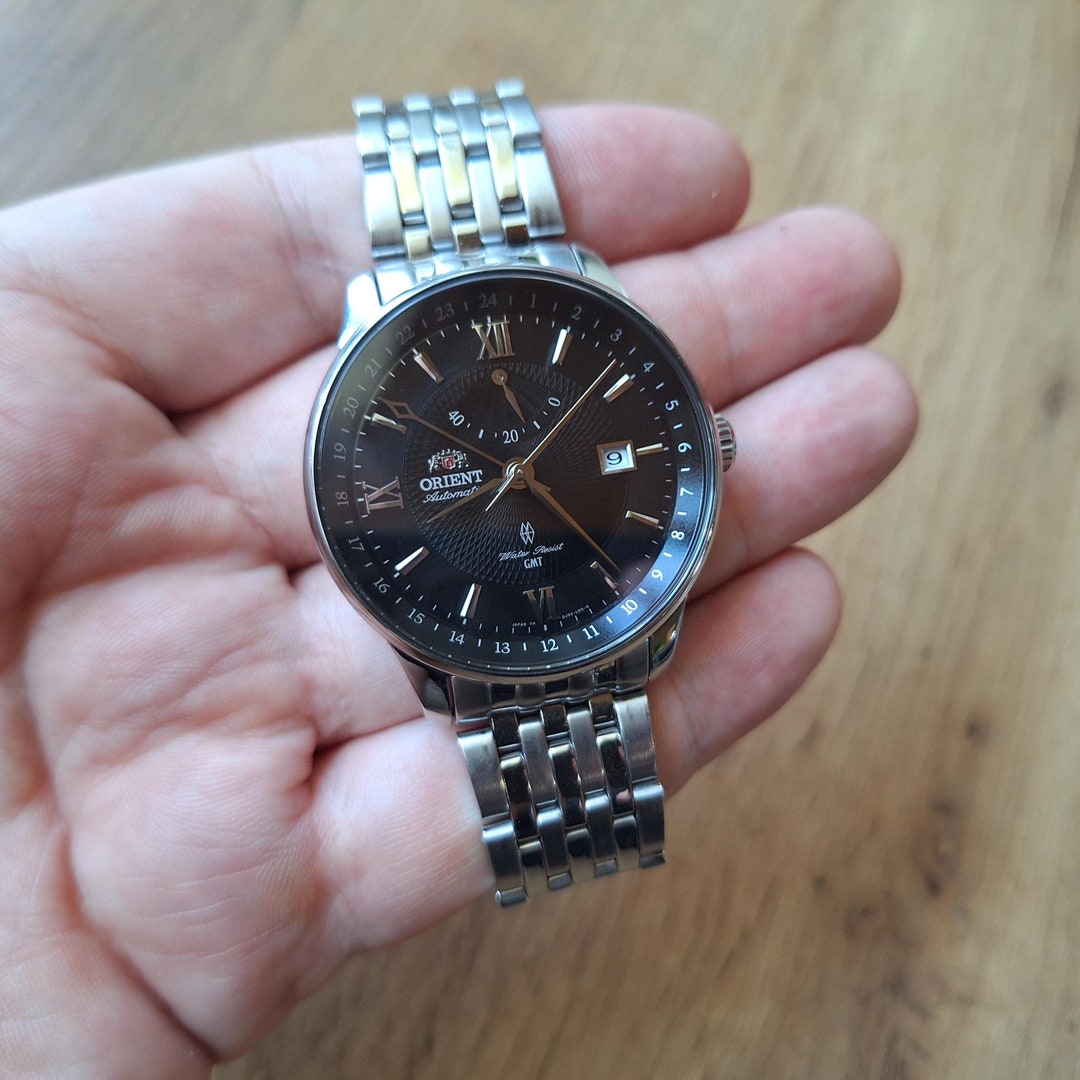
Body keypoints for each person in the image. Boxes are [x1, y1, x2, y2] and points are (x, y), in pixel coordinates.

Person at [0, 102, 917, 1076]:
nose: (518, 475)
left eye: (523, 469)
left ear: (709, 445)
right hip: (492, 622)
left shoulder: (623, 389)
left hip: (586, 602)